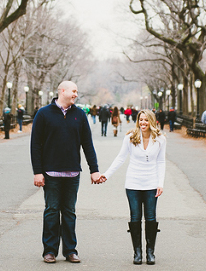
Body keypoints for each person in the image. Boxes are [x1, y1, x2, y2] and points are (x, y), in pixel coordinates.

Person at [30, 80, 101, 264]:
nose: (76, 94)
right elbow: (35, 145)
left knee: (69, 212)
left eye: (77, 91)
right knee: (52, 211)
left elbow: (87, 144)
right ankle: (50, 251)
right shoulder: (43, 114)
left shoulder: (79, 115)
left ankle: (70, 250)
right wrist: (38, 172)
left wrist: (94, 170)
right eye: (74, 91)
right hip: (50, 173)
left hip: (72, 174)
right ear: (62, 91)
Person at [99, 109, 166, 265]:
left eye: (146, 120)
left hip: (151, 183)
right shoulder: (130, 137)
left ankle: (150, 252)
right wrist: (107, 174)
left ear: (152, 121)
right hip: (133, 183)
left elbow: (161, 162)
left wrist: (160, 183)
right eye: (141, 120)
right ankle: (137, 252)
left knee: (150, 217)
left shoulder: (160, 139)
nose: (143, 123)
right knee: (135, 217)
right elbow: (120, 158)